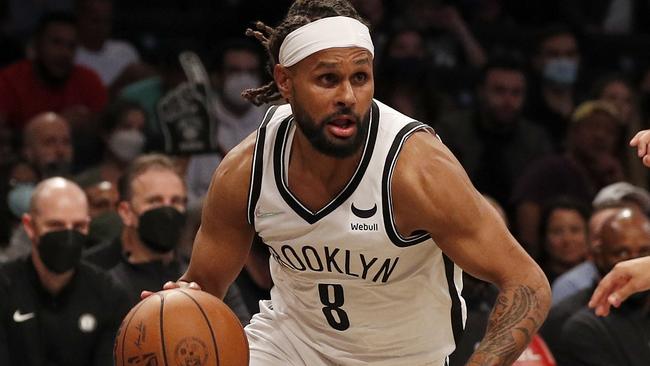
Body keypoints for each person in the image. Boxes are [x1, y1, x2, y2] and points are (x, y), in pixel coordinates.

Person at [159, 1, 551, 365]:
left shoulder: (417, 169)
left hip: (404, 358)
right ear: (285, 81)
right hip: (289, 347)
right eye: (327, 79)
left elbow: (527, 282)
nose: (347, 96)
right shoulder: (247, 168)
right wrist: (171, 309)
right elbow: (204, 284)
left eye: (360, 78)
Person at [84, 154, 251, 323]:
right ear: (126, 212)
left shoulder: (203, 273)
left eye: (176, 201)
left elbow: (241, 332)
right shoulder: (94, 275)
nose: (168, 211)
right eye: (155, 202)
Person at [0, 177, 129, 366]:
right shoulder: (4, 286)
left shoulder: (109, 294)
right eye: (56, 225)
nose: (68, 237)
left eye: (78, 226)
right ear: (29, 226)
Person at [435, 56, 553, 212]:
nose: (508, 100)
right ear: (481, 91)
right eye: (499, 91)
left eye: (516, 93)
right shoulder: (452, 130)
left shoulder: (535, 140)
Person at [513, 100, 624, 258]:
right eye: (593, 127)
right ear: (573, 131)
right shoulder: (548, 168)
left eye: (609, 131)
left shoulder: (610, 174)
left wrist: (616, 181)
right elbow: (527, 226)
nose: (600, 136)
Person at [557, 208, 650, 365]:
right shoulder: (583, 327)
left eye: (644, 252)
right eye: (621, 253)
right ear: (598, 255)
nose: (634, 263)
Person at [74, 0, 140, 88]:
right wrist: (121, 81)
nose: (102, 27)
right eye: (95, 20)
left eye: (106, 21)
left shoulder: (126, 50)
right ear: (80, 19)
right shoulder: (70, 56)